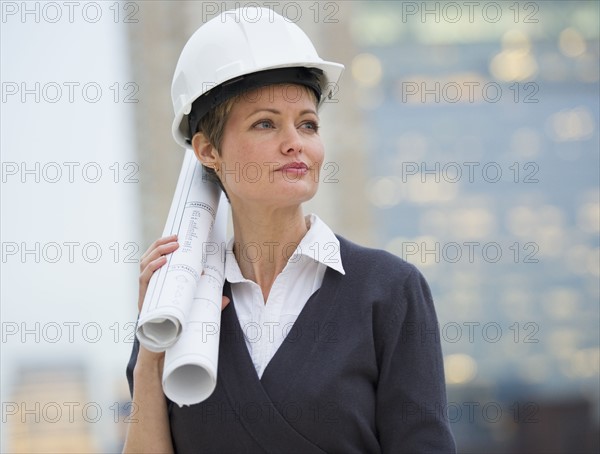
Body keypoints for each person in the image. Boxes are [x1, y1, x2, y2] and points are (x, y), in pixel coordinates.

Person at [124, 7, 455, 454]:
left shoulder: (389, 291)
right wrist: (151, 349)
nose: (295, 142)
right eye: (265, 123)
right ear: (207, 150)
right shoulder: (179, 305)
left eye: (308, 124)